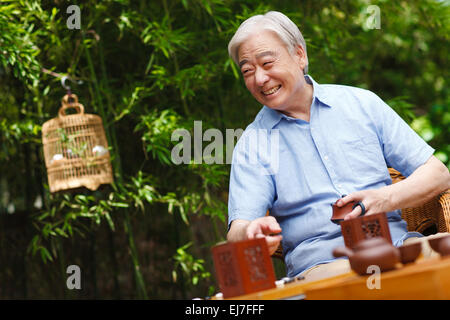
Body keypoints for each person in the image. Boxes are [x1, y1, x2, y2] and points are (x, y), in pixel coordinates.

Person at [226, 11, 450, 281]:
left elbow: (438, 174)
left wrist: (383, 199)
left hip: (398, 248)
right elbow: (238, 229)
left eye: (267, 63)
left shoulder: (361, 104)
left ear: (299, 55)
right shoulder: (254, 143)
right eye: (248, 71)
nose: (260, 79)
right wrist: (251, 232)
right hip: (323, 267)